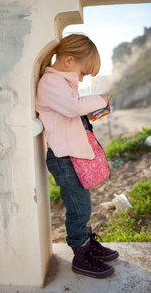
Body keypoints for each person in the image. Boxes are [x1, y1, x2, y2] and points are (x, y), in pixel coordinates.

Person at [36, 34, 119, 279]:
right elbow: (73, 106)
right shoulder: (51, 82)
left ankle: (85, 242)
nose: (81, 79)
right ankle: (80, 255)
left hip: (69, 154)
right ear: (69, 60)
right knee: (77, 206)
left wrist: (90, 111)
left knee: (82, 204)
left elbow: (72, 111)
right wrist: (101, 99)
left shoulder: (61, 84)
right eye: (82, 73)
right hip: (61, 157)